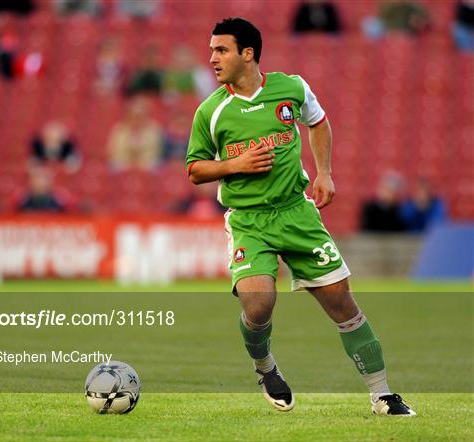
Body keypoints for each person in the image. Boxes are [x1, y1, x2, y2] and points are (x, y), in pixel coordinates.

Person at [186, 17, 415, 415]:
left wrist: (324, 171)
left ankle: (382, 395)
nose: (212, 59)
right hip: (249, 219)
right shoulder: (212, 111)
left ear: (248, 53)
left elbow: (319, 122)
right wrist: (236, 163)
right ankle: (266, 368)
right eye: (212, 51)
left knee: (341, 302)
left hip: (297, 213)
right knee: (258, 305)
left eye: (221, 50)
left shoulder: (291, 87)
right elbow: (195, 169)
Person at [106, 95, 162, 171]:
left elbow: (154, 151)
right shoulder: (120, 129)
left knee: (155, 164)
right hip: (124, 163)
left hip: (145, 164)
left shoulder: (154, 129)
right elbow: (114, 151)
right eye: (134, 116)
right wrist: (129, 159)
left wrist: (139, 160)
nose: (136, 119)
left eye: (139, 116)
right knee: (113, 165)